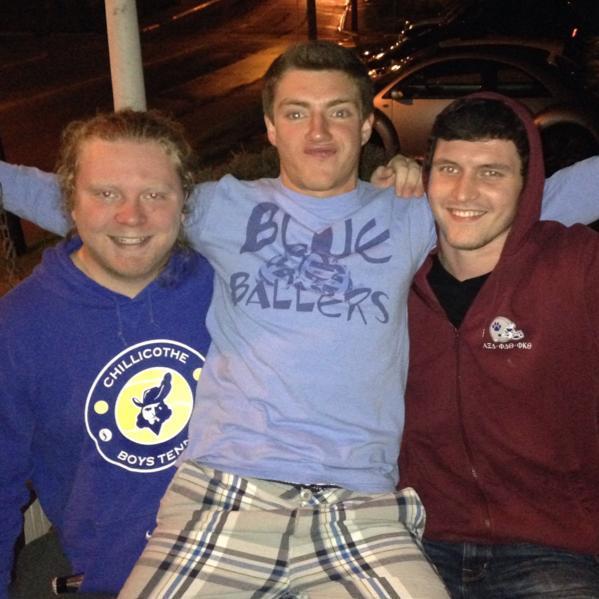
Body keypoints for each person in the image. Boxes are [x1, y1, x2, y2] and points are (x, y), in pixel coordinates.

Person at [1, 41, 599, 598]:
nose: (318, 131)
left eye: (338, 112)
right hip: (225, 493)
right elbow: (99, 204)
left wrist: (420, 175)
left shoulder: (412, 213)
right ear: (270, 126)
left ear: (364, 127)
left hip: (361, 504)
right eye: (296, 113)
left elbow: (537, 200)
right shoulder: (220, 206)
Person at [0, 110, 214, 598]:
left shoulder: (225, 285)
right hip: (118, 583)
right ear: (71, 203)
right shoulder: (19, 327)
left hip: (247, 562)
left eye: (154, 195)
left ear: (184, 205)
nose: (131, 216)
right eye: (106, 193)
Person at [399, 93, 599, 598]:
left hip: (552, 548)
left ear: (527, 186)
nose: (464, 191)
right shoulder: (390, 284)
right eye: (449, 168)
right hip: (416, 541)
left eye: (491, 172)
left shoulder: (575, 266)